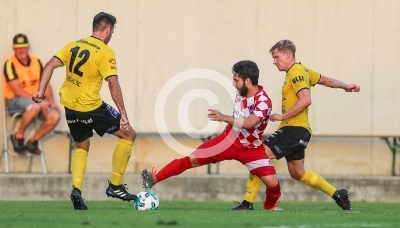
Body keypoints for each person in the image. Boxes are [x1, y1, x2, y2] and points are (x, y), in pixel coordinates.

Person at [233, 39, 360, 211]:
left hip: (293, 129)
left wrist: (282, 116)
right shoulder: (303, 70)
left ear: (287, 54)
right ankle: (338, 194)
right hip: (299, 131)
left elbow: (306, 100)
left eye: (276, 57)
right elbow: (326, 80)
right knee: (297, 173)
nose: (274, 61)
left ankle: (248, 203)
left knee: (258, 156)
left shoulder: (296, 71)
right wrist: (345, 86)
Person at [141, 60, 283, 211]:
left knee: (274, 185)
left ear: (248, 81)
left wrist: (224, 117)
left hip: (252, 149)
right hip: (228, 140)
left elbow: (249, 123)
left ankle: (269, 207)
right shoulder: (241, 92)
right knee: (191, 159)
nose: (233, 84)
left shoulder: (263, 101)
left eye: (236, 80)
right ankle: (154, 179)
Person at [32, 12, 137, 210]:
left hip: (70, 107)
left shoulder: (74, 45)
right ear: (108, 29)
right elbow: (113, 84)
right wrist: (123, 114)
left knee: (82, 145)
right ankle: (115, 185)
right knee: (129, 134)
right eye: (112, 30)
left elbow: (49, 64)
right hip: (91, 106)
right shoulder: (105, 52)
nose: (112, 33)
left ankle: (76, 190)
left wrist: (40, 91)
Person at [3, 33, 61, 156]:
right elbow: (17, 90)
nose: (21, 50)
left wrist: (50, 101)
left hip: (37, 101)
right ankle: (18, 136)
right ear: (14, 48)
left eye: (23, 47)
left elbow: (45, 83)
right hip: (15, 100)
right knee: (35, 106)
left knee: (55, 115)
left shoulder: (36, 60)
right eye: (18, 47)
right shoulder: (9, 64)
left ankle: (33, 141)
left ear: (28, 47)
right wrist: (40, 101)